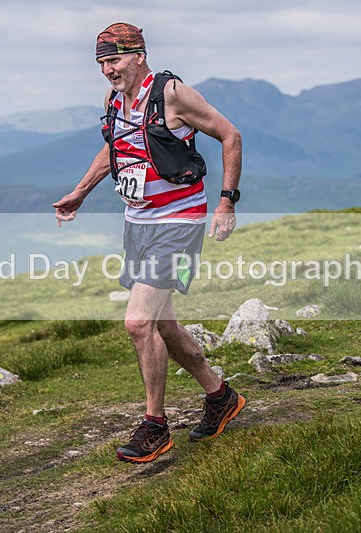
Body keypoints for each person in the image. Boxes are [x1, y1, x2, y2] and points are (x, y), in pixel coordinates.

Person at [53, 22, 244, 463]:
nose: (107, 69)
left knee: (138, 322)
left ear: (139, 54)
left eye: (114, 59)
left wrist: (226, 202)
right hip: (138, 223)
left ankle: (155, 425)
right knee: (161, 324)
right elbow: (115, 149)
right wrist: (81, 192)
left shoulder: (173, 93)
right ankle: (220, 397)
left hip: (179, 223)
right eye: (101, 62)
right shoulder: (115, 100)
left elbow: (230, 135)